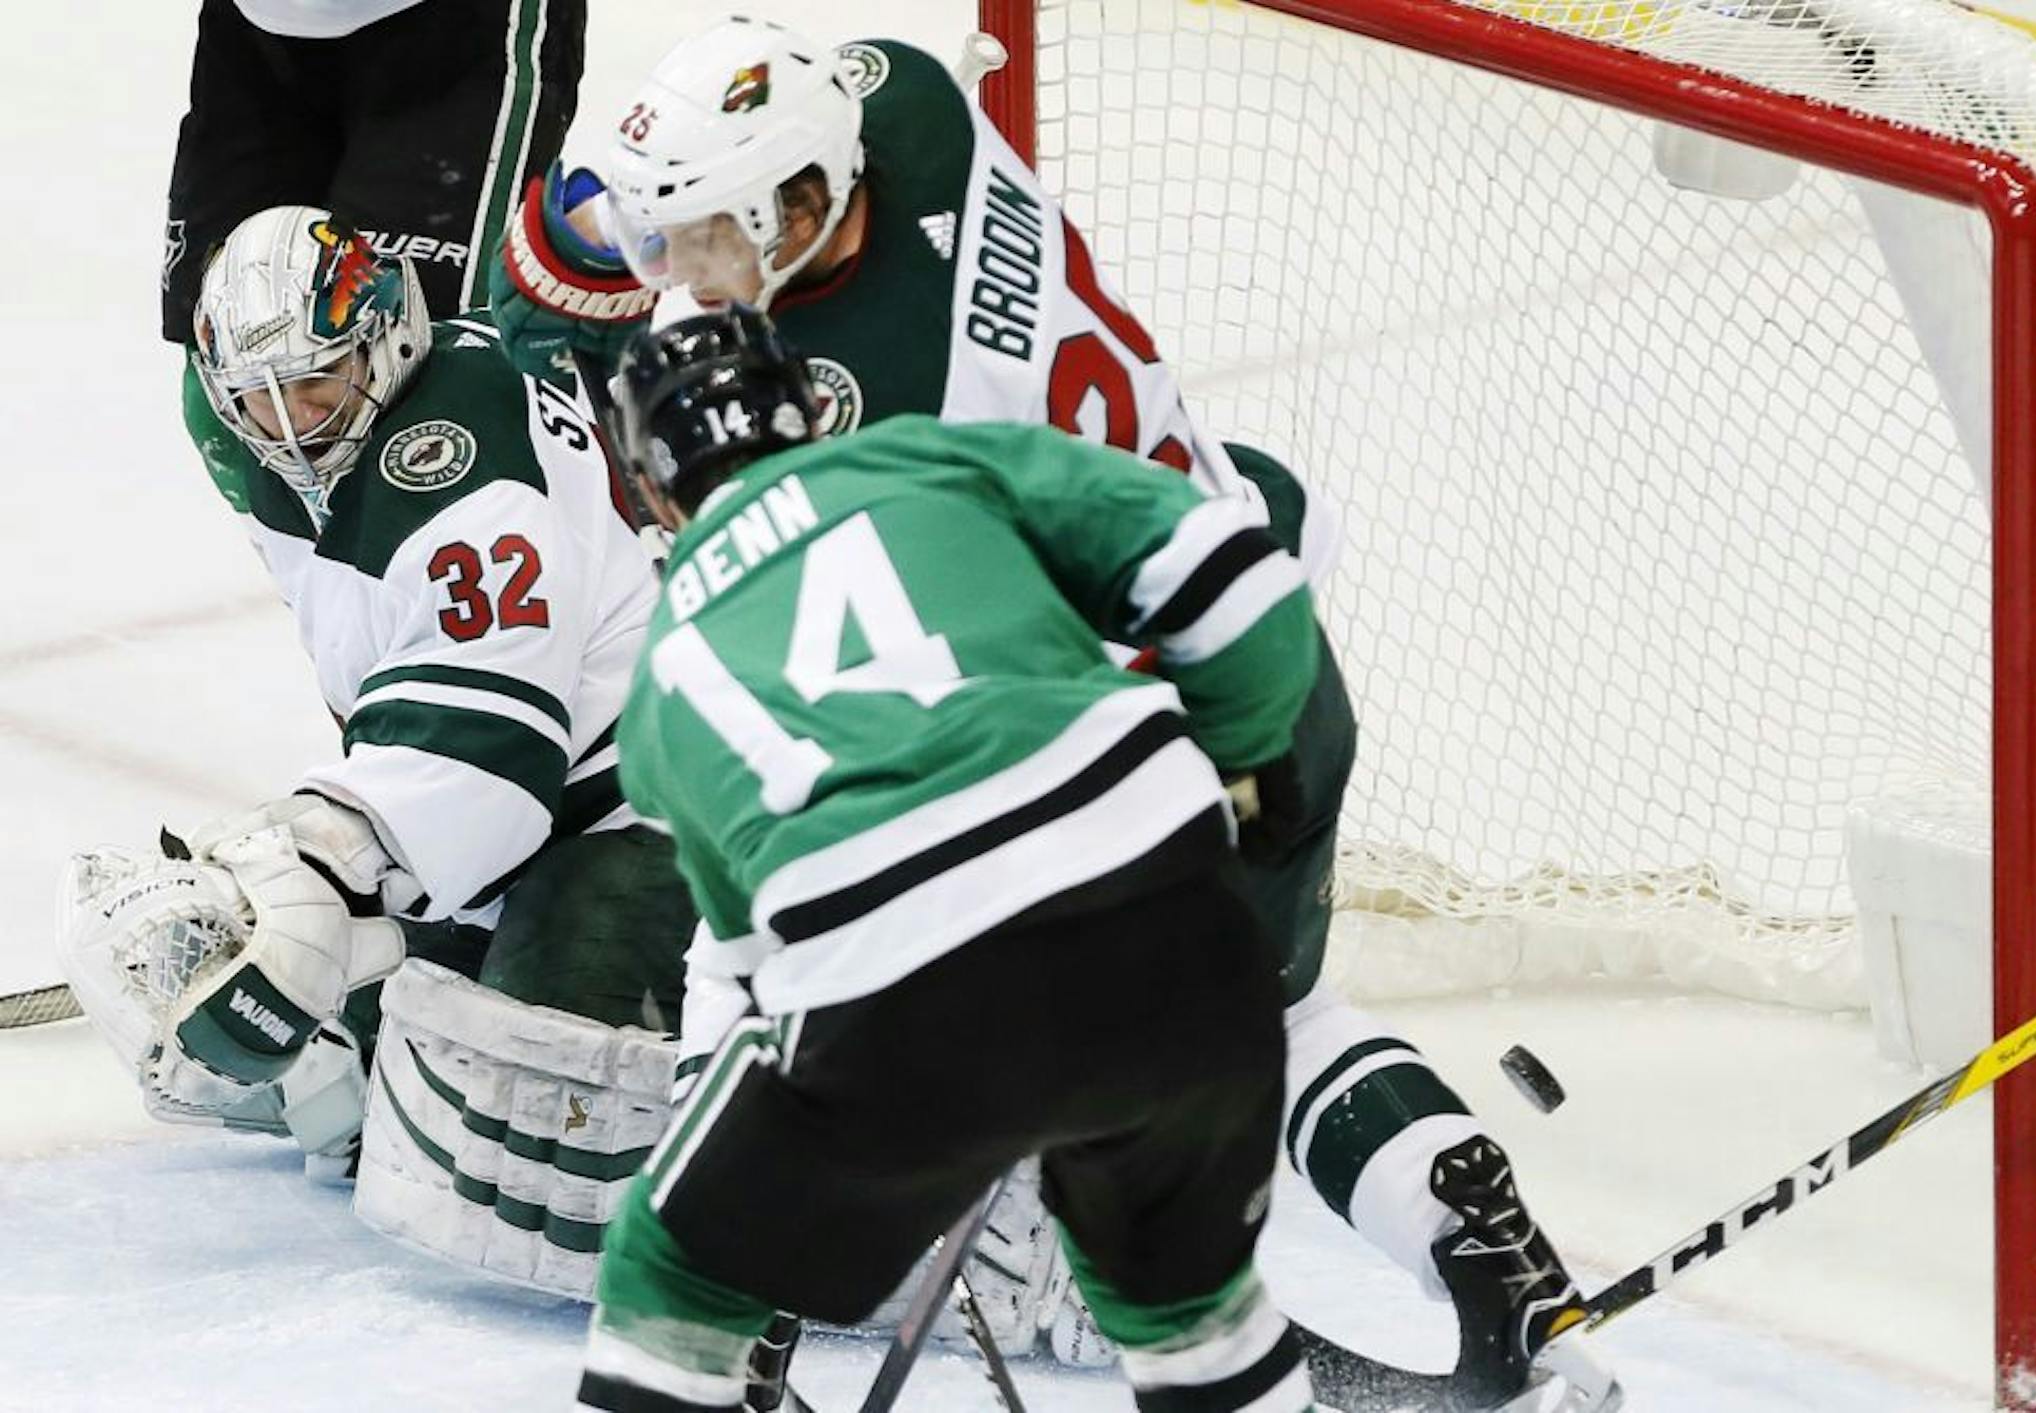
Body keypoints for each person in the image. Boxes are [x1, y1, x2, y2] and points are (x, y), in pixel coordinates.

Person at [492, 17, 1618, 1411]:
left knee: (1071, 1051)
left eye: (710, 240)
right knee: (1280, 1010)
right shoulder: (900, 107)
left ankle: (880, 1305)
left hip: (1133, 716)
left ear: (796, 206)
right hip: (1262, 646)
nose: (685, 280)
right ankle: (1490, 1260)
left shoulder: (876, 420)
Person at [579, 305, 1317, 1413]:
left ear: (651, 487)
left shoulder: (661, 685)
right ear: (814, 404)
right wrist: (1244, 766)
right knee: (1188, 1321)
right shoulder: (929, 455)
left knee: (669, 1275)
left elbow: (750, 977)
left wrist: (768, 1189)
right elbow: (1242, 578)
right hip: (1180, 946)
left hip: (904, 1013)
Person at [61, 203, 693, 1295]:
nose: (293, 426)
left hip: (662, 815)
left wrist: (326, 859)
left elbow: (489, 742)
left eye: (315, 385)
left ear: (387, 339)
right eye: (257, 398)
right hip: (516, 825)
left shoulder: (458, 453)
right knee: (312, 1047)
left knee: (536, 1128)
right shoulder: (263, 438)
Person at [165, 0, 585, 513]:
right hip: (254, 27)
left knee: (424, 384)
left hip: (455, 35)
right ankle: (327, 584)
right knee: (229, 383)